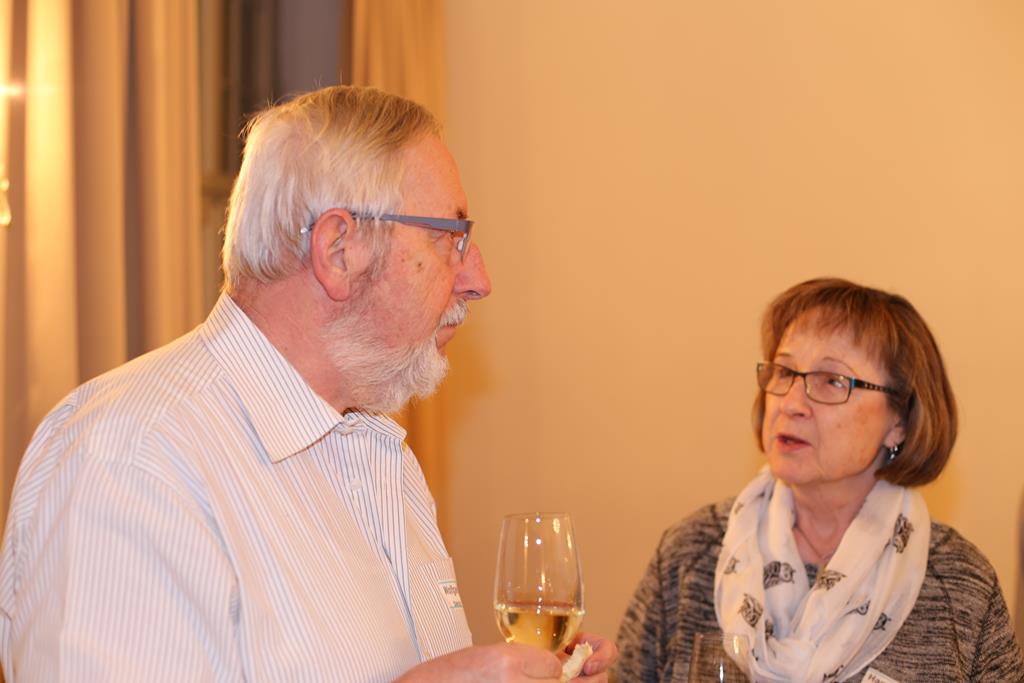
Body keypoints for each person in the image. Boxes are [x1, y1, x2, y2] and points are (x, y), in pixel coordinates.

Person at [0, 86, 615, 682]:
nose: (478, 279)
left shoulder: (378, 453)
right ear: (339, 249)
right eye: (450, 238)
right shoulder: (129, 459)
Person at [615, 278, 1023, 682]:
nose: (791, 403)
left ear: (898, 421)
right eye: (784, 372)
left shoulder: (957, 583)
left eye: (832, 381)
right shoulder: (691, 554)